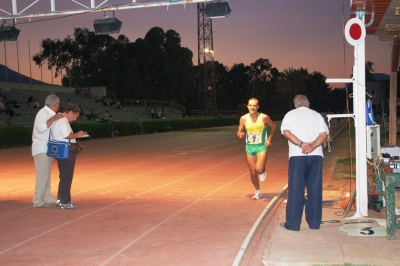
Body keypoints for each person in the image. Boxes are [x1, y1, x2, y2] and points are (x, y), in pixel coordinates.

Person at [280, 95, 329, 231]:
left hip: (297, 155)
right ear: (307, 103)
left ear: (295, 104)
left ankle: (293, 224)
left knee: (296, 189)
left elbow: (286, 133)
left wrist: (302, 144)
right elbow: (323, 134)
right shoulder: (316, 115)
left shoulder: (289, 115)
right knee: (315, 189)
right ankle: (314, 223)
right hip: (316, 155)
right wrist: (312, 145)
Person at [236, 98, 276, 200]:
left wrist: (269, 138)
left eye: (254, 106)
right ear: (247, 106)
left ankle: (263, 171)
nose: (252, 107)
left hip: (261, 146)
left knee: (258, 169)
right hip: (249, 147)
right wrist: (239, 134)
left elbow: (274, 126)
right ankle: (257, 190)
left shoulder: (263, 117)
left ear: (258, 107)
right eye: (250, 105)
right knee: (252, 171)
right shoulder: (243, 118)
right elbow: (239, 131)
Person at [50, 104, 86, 210]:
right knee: (66, 176)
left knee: (64, 176)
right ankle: (64, 201)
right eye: (74, 116)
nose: (74, 119)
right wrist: (78, 134)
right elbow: (66, 135)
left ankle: (62, 200)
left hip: (62, 150)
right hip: (66, 150)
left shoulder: (59, 119)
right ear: (70, 112)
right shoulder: (62, 120)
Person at [31, 95, 64, 208]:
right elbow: (41, 128)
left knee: (46, 175)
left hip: (47, 148)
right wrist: (54, 119)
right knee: (42, 175)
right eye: (59, 104)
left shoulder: (50, 114)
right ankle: (38, 200)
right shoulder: (43, 113)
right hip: (41, 148)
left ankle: (47, 196)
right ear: (55, 104)